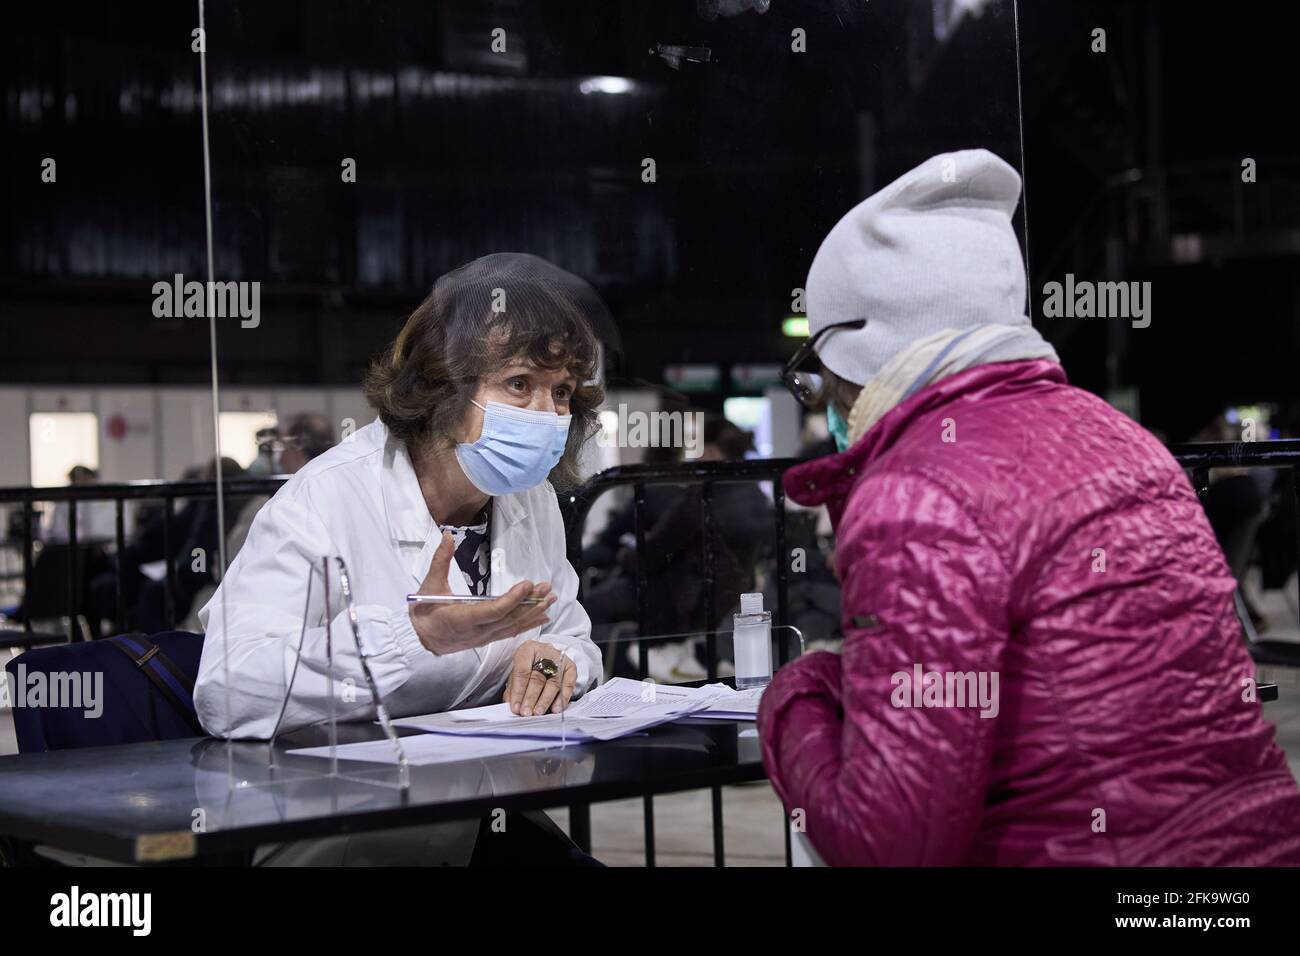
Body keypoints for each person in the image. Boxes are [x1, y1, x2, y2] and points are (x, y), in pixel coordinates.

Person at [759, 148, 1300, 866]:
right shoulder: (1125, 440)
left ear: (860, 352)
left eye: (819, 374)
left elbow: (887, 843)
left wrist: (796, 694)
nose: (827, 399)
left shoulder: (914, 496)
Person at [195, 254, 605, 740]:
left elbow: (570, 634)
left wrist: (556, 663)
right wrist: (410, 638)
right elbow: (226, 689)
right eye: (519, 384)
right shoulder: (326, 499)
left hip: (485, 783)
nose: (547, 414)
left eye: (561, 392)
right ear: (442, 390)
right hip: (345, 796)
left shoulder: (528, 498)